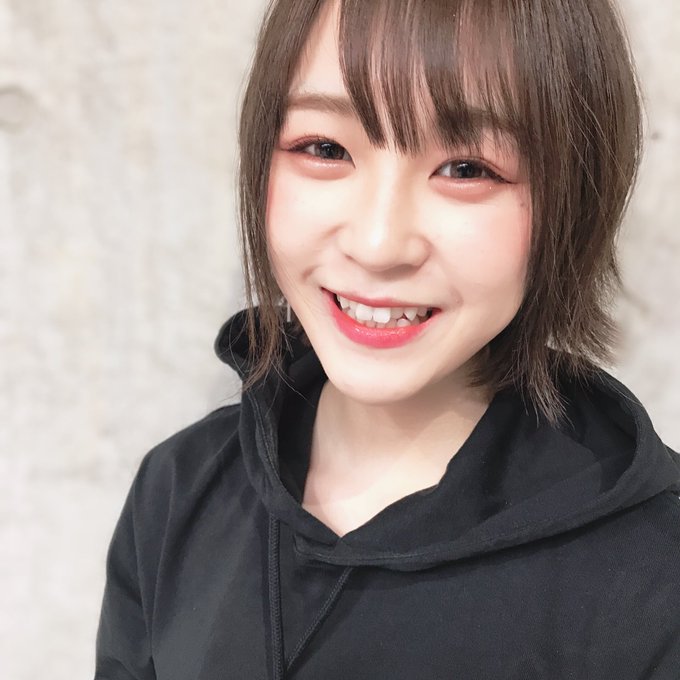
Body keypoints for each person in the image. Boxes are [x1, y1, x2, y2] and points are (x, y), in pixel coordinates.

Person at [94, 0, 680, 678]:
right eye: (325, 149)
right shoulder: (179, 490)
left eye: (467, 168)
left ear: (574, 199)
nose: (377, 244)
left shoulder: (654, 579)